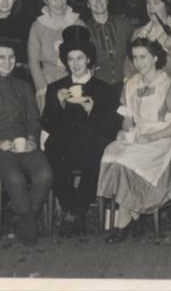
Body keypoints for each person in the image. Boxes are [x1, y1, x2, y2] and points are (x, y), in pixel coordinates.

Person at [97, 38, 171, 243]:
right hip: (139, 137)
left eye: (143, 57)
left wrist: (151, 137)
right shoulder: (130, 85)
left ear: (155, 58)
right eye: (135, 58)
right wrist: (124, 132)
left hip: (162, 140)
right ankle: (134, 214)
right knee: (112, 152)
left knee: (127, 158)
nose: (139, 63)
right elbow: (128, 121)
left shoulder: (168, 85)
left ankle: (123, 219)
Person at [0, 38, 53, 246]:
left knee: (45, 174)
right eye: (1, 57)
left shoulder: (24, 87)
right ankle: (28, 222)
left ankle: (24, 218)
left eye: (11, 57)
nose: (7, 62)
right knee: (14, 177)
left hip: (23, 144)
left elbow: (34, 119)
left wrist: (33, 138)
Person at [42, 26, 121, 237]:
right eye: (71, 59)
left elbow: (113, 127)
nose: (75, 64)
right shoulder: (55, 88)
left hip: (92, 144)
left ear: (88, 60)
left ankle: (73, 214)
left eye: (80, 58)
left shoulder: (105, 89)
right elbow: (47, 125)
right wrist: (57, 104)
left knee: (97, 151)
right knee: (51, 147)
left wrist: (91, 111)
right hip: (65, 146)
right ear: (66, 62)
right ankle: (74, 211)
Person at [29, 0, 85, 113]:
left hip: (76, 78)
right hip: (48, 81)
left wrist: (83, 82)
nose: (60, 3)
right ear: (45, 0)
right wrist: (42, 88)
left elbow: (90, 56)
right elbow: (33, 60)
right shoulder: (38, 26)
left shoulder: (77, 23)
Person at [79, 0, 133, 93]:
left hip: (127, 86)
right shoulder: (83, 30)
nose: (98, 1)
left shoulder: (124, 24)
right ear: (87, 4)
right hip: (98, 89)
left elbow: (136, 51)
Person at [129, 0, 171, 79]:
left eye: (156, 3)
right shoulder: (138, 33)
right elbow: (129, 66)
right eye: (148, 3)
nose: (151, 8)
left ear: (166, 6)